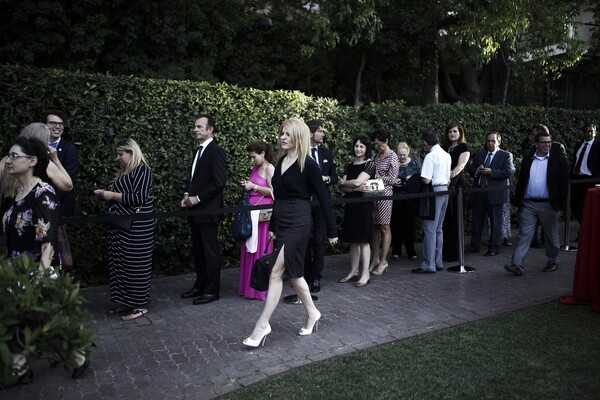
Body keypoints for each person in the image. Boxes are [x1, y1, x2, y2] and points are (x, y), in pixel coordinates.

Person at [243, 118, 338, 348]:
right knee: (294, 274)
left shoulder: (309, 165)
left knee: (276, 270)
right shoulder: (282, 161)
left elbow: (324, 198)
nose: (282, 137)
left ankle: (262, 325)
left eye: (287, 134)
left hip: (300, 219)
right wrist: (274, 227)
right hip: (283, 220)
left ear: (298, 136)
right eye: (282, 133)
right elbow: (278, 198)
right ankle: (313, 313)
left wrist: (332, 230)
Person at [1, 136, 90, 381]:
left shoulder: (43, 192)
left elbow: (48, 240)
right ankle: (20, 370)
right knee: (16, 320)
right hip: (17, 270)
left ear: (32, 161)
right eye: (8, 155)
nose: (9, 161)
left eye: (14, 156)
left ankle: (80, 354)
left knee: (52, 318)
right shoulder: (18, 194)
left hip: (39, 269)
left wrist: (41, 275)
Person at [94, 139, 154, 321]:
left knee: (135, 265)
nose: (118, 158)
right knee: (120, 264)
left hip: (136, 228)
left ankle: (140, 305)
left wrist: (111, 195)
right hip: (119, 226)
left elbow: (139, 198)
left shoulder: (143, 170)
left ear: (132, 152)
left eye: (121, 154)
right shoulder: (126, 171)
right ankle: (125, 301)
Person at [504, 129, 570, 276]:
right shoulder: (529, 159)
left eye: (549, 142)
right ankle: (517, 264)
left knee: (551, 236)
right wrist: (516, 202)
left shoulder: (558, 160)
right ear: (536, 144)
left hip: (548, 204)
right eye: (544, 142)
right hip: (529, 204)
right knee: (524, 235)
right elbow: (522, 181)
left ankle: (553, 261)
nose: (547, 145)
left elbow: (564, 183)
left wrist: (560, 203)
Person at [180, 115, 227, 304]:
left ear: (210, 130)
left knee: (210, 252)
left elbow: (219, 182)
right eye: (195, 127)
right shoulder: (197, 151)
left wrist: (197, 198)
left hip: (208, 211)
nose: (196, 130)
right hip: (195, 211)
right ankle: (199, 286)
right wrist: (186, 195)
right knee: (198, 252)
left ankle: (211, 291)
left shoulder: (216, 151)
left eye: (200, 127)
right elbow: (194, 178)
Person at [304, 119, 338, 293]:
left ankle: (316, 276)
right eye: (320, 131)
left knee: (318, 239)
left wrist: (327, 179)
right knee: (302, 238)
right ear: (310, 133)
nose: (323, 134)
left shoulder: (326, 153)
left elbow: (335, 177)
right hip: (303, 201)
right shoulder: (300, 153)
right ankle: (304, 274)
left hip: (321, 202)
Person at [338, 135, 376, 287]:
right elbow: (344, 188)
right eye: (356, 146)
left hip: (364, 205)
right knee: (353, 240)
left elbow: (357, 182)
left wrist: (346, 183)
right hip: (351, 204)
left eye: (361, 146)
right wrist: (353, 186)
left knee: (363, 240)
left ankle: (365, 273)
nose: (358, 149)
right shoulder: (350, 164)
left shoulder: (370, 164)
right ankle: (353, 271)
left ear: (367, 148)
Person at [466, 132, 513, 256]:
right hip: (479, 192)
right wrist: (477, 170)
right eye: (488, 141)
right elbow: (470, 170)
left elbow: (507, 172)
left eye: (493, 141)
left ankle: (494, 247)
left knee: (495, 222)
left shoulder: (505, 155)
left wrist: (491, 171)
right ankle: (474, 246)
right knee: (477, 221)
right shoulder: (480, 154)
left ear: (499, 141)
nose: (490, 143)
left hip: (494, 193)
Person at [239, 140, 275, 301]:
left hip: (263, 216)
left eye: (254, 157)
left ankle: (260, 290)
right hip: (251, 216)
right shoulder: (256, 167)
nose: (252, 160)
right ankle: (249, 287)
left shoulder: (269, 168)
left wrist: (253, 186)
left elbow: (273, 192)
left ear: (262, 154)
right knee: (249, 249)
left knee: (261, 251)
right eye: (250, 157)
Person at [412, 130, 451, 274]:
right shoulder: (446, 155)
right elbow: (448, 177)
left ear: (425, 143)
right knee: (439, 228)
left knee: (429, 229)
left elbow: (426, 179)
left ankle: (428, 264)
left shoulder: (430, 156)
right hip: (444, 190)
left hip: (433, 191)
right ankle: (438, 261)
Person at [369, 128, 399, 276]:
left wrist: (378, 177)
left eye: (378, 144)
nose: (377, 147)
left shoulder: (392, 157)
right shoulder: (376, 156)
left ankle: (383, 260)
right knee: (375, 227)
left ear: (386, 141)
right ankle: (374, 258)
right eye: (375, 144)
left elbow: (393, 179)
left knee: (385, 227)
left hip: (386, 194)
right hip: (374, 192)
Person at [43, 110, 79, 221]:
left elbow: (68, 180)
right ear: (44, 125)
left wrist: (50, 203)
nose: (57, 126)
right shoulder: (36, 146)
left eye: (60, 124)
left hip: (60, 207)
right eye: (53, 123)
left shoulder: (70, 149)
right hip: (36, 204)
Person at [441, 123, 470, 262]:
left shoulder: (463, 147)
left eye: (455, 131)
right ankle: (444, 252)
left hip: (457, 185)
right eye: (450, 131)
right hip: (443, 185)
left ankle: (455, 254)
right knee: (445, 219)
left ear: (460, 133)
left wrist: (449, 177)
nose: (452, 134)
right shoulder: (444, 148)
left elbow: (461, 165)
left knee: (455, 218)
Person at [390, 142, 421, 261]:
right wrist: (394, 182)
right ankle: (396, 250)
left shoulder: (414, 162)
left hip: (410, 198)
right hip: (396, 197)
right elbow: (386, 177)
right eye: (399, 155)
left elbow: (421, 177)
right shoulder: (393, 163)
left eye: (404, 155)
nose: (402, 157)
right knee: (396, 225)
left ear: (408, 153)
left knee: (410, 225)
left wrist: (412, 179)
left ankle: (411, 250)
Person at [570, 123, 600, 226]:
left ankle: (585, 229)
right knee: (574, 205)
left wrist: (596, 179)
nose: (589, 133)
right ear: (583, 133)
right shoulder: (579, 145)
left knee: (586, 206)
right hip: (576, 178)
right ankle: (583, 228)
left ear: (595, 133)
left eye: (592, 131)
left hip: (589, 180)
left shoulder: (598, 146)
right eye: (587, 131)